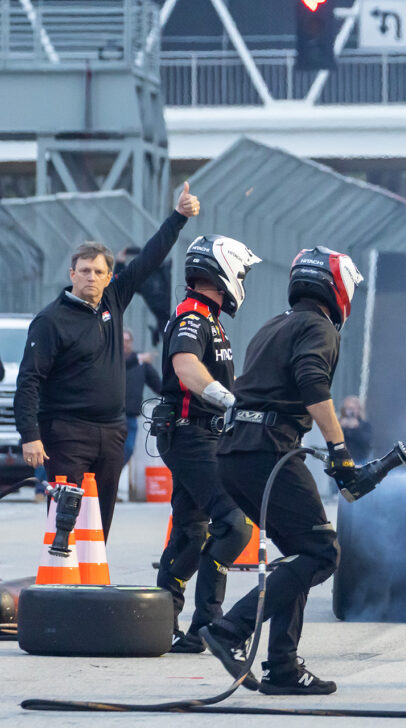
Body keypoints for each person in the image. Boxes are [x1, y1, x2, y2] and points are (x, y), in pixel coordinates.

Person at [200, 246, 363, 696]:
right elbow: (312, 381)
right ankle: (231, 630)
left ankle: (283, 666)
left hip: (236, 451)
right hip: (266, 450)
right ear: (339, 287)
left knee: (299, 551)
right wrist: (340, 448)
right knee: (322, 553)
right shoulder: (318, 327)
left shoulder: (275, 324)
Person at [14, 183, 200, 540]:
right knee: (66, 522)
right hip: (66, 433)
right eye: (84, 270)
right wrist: (30, 436)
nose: (91, 277)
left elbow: (149, 259)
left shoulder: (113, 299)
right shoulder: (50, 320)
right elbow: (30, 381)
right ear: (72, 274)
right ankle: (61, 586)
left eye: (99, 272)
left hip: (112, 432)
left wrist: (177, 218)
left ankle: (92, 588)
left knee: (100, 525)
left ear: (109, 276)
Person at [155, 235, 262, 654]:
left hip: (200, 435)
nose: (243, 280)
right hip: (190, 433)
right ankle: (210, 624)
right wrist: (227, 399)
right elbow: (185, 366)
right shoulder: (193, 316)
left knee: (191, 527)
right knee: (235, 524)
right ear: (224, 270)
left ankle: (164, 623)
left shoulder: (208, 317)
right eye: (242, 272)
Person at [123, 327, 161, 465]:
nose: (125, 343)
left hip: (131, 417)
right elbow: (124, 363)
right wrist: (139, 358)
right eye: (122, 340)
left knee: (128, 450)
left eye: (127, 340)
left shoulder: (141, 363)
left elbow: (158, 385)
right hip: (113, 417)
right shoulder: (112, 361)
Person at [338, 395, 373, 464]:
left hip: (360, 460)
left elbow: (367, 443)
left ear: (358, 409)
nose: (350, 411)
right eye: (347, 408)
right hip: (343, 461)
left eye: (352, 408)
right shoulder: (339, 423)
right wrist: (341, 428)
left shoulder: (364, 424)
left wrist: (356, 429)